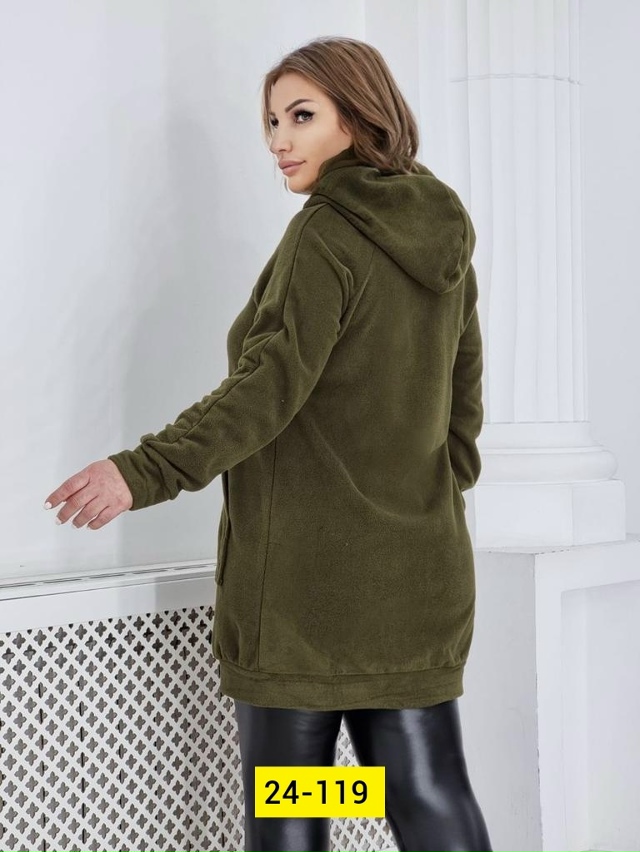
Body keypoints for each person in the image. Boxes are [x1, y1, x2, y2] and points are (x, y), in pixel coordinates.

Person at [44, 35, 492, 852]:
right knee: (424, 795)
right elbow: (463, 415)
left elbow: (264, 389)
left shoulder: (327, 235)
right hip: (419, 585)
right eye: (272, 122)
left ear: (359, 117)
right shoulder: (442, 233)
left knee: (297, 809)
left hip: (305, 599)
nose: (279, 140)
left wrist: (142, 471)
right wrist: (423, 498)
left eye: (301, 116)